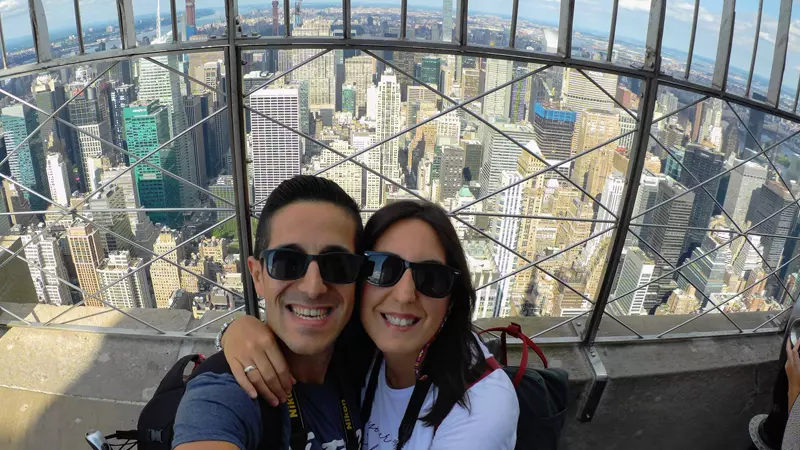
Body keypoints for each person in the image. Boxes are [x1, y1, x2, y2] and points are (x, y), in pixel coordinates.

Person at [220, 200, 519, 449]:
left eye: (431, 278)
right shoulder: (359, 343)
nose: (404, 296)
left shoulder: (482, 410)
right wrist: (235, 332)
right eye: (381, 269)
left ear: (451, 298)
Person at [172, 175, 366, 450]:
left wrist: (231, 330)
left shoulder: (366, 365)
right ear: (257, 275)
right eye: (288, 262)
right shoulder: (226, 392)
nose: (313, 288)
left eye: (338, 265)